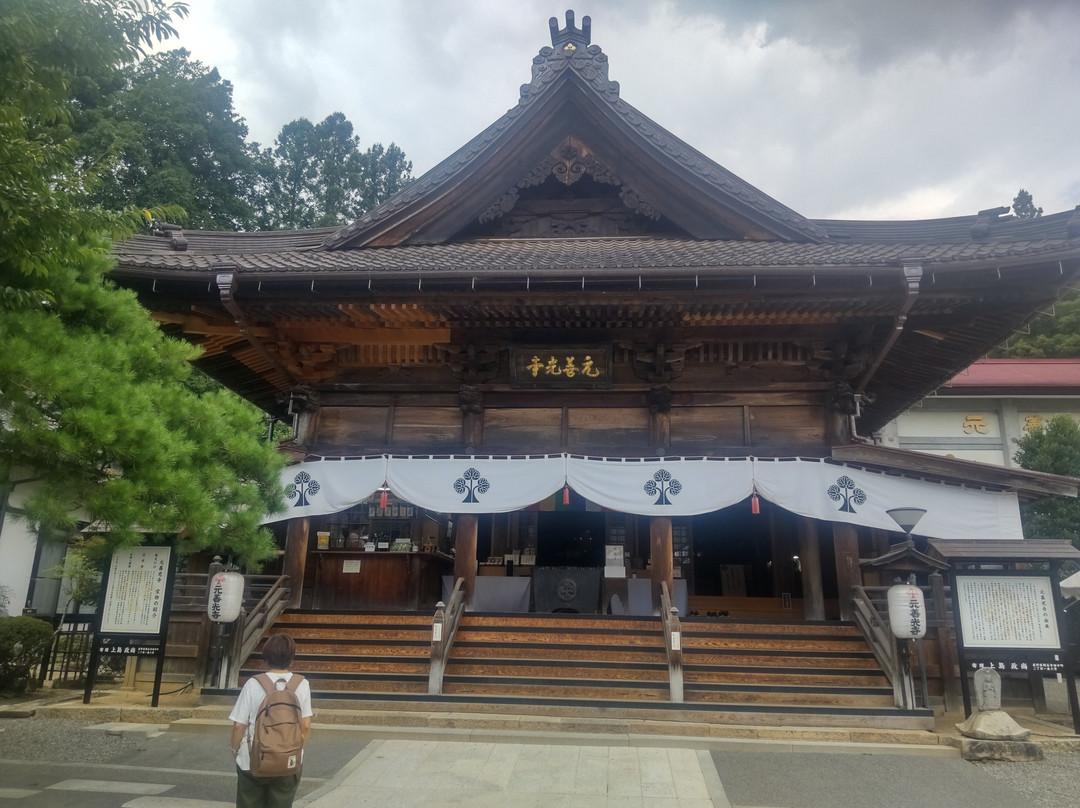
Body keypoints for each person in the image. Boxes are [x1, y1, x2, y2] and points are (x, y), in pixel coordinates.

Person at [229, 633, 313, 808]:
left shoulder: (253, 683)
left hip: (252, 759)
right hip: (288, 759)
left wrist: (235, 750)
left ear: (266, 657)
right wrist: (296, 750)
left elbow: (238, 725)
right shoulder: (302, 684)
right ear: (291, 658)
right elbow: (305, 725)